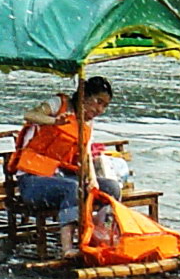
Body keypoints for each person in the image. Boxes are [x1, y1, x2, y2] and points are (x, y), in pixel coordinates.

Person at [12, 77, 113, 257]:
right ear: (84, 96)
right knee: (72, 188)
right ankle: (67, 247)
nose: (100, 110)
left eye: (105, 106)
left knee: (111, 188)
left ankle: (100, 234)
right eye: (98, 102)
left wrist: (93, 180)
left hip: (62, 176)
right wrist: (53, 122)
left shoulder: (87, 123)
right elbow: (29, 115)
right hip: (33, 180)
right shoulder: (59, 104)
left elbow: (86, 153)